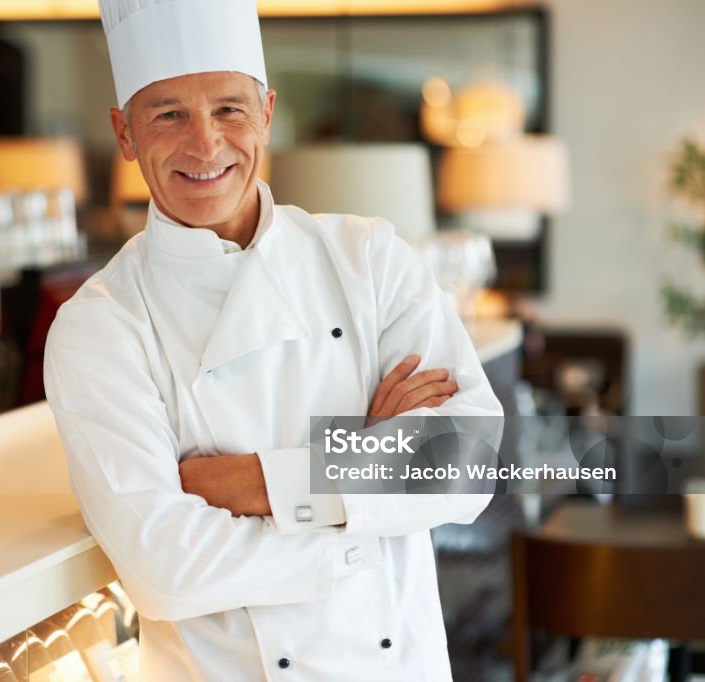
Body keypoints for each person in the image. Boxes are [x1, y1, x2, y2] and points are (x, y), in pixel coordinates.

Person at [44, 1, 503, 679]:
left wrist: (251, 481)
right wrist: (364, 494)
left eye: (229, 109)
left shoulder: (368, 257)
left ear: (266, 113)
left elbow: (466, 463)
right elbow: (166, 569)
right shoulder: (101, 324)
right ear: (124, 132)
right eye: (168, 114)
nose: (205, 144)